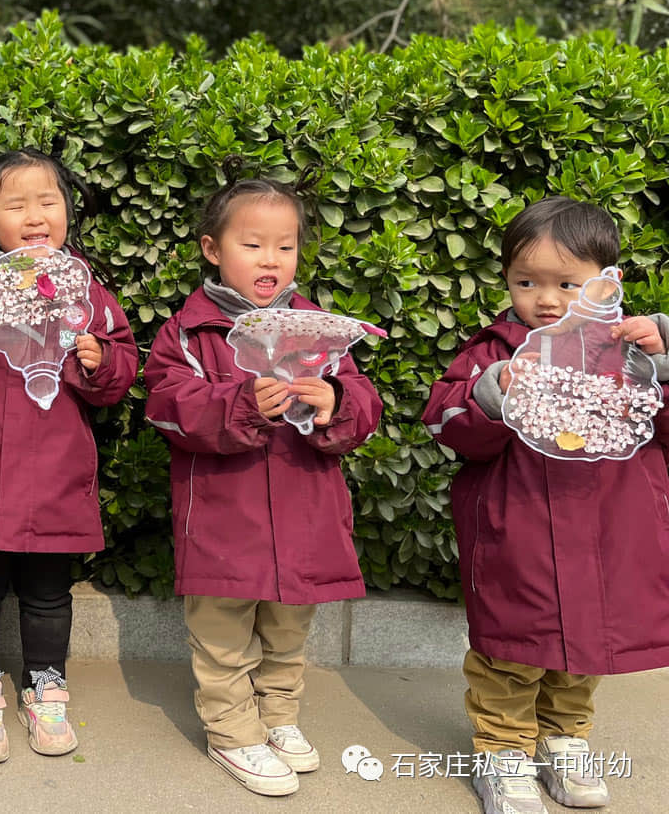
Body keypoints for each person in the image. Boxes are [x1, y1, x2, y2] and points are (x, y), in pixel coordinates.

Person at [422, 196, 669, 814]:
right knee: (510, 648)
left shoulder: (630, 352)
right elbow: (447, 421)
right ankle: (502, 751)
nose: (547, 299)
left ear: (606, 282)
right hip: (520, 529)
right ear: (506, 280)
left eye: (567, 283)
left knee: (584, 649)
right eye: (526, 282)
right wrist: (494, 390)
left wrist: (661, 367)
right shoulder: (494, 350)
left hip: (608, 529)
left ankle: (566, 741)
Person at [144, 178, 382, 797]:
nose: (271, 259)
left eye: (285, 246)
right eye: (252, 244)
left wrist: (334, 401)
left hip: (305, 512)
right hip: (226, 517)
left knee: (288, 629)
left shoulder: (321, 330)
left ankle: (277, 716)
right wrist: (240, 403)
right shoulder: (190, 334)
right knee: (221, 635)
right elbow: (169, 407)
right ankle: (231, 731)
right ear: (212, 250)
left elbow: (362, 402)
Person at [0, 148, 138, 764]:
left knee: (48, 595)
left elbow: (122, 365)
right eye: (16, 204)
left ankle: (46, 683)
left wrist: (102, 362)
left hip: (53, 474)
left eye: (49, 201)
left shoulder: (87, 289)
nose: (36, 215)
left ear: (68, 211)